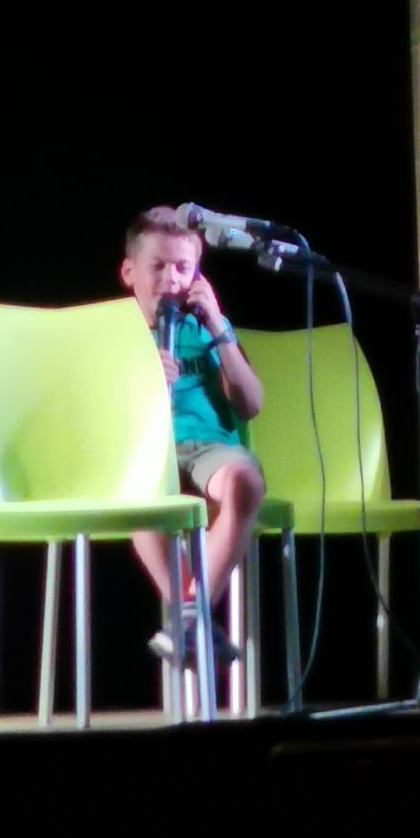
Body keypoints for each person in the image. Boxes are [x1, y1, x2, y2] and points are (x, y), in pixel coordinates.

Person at [119, 205, 266, 671]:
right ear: (130, 272)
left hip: (208, 449)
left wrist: (219, 328)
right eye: (158, 266)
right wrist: (145, 382)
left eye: (183, 267)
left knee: (244, 482)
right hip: (145, 450)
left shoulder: (208, 330)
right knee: (139, 492)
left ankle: (187, 618)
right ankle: (194, 616)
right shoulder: (115, 332)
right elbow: (98, 416)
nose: (172, 279)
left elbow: (251, 403)